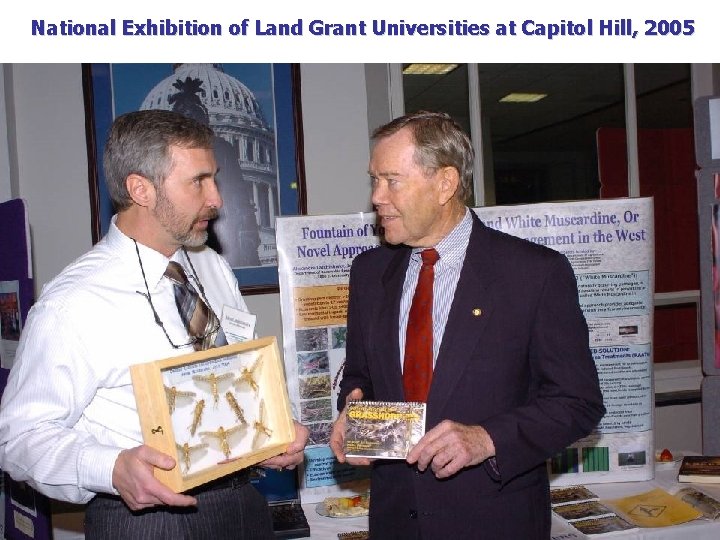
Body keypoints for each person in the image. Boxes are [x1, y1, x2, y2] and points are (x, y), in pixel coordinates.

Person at [0, 110, 308, 539]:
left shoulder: (213, 268)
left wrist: (273, 430)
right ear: (140, 189)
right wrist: (111, 468)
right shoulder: (72, 303)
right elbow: (19, 438)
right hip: (146, 521)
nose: (216, 198)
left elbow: (238, 377)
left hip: (243, 506)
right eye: (198, 181)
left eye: (213, 178)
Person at [329, 111, 605, 539]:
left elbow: (577, 401)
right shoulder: (369, 272)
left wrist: (487, 439)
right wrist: (354, 410)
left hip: (494, 521)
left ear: (445, 183)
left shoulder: (533, 274)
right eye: (374, 180)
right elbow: (362, 374)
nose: (377, 197)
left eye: (391, 180)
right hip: (397, 520)